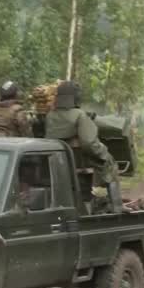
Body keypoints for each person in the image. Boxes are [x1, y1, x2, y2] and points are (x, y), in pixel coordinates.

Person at [44, 80, 121, 212]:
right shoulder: (79, 115)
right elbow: (89, 143)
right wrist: (104, 152)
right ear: (75, 97)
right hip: (80, 161)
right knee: (110, 164)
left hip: (60, 161)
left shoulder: (50, 115)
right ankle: (110, 203)